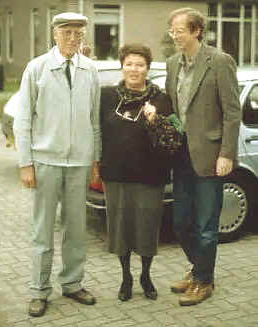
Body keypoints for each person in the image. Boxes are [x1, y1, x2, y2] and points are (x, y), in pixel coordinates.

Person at [13, 12, 101, 317]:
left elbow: (95, 119)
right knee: (43, 229)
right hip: (46, 161)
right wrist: (26, 163)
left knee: (76, 228)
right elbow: (23, 119)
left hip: (79, 162)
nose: (73, 39)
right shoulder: (36, 68)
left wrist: (95, 159)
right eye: (67, 33)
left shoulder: (90, 70)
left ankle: (73, 283)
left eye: (78, 34)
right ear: (55, 34)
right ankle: (39, 290)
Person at [165, 7, 241, 306]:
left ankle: (203, 281)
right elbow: (173, 110)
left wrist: (227, 153)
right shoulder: (172, 64)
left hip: (210, 155)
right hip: (181, 156)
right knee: (181, 222)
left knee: (206, 226)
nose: (174, 36)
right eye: (172, 31)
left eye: (179, 31)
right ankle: (200, 270)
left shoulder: (219, 62)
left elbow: (232, 112)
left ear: (196, 31)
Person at [100, 44, 179, 302]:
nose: (134, 69)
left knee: (146, 229)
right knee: (120, 230)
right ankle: (126, 277)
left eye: (140, 64)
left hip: (150, 175)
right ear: (122, 65)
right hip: (116, 174)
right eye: (129, 64)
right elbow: (97, 131)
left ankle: (145, 275)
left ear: (147, 68)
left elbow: (172, 140)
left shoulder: (161, 98)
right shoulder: (107, 96)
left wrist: (156, 120)